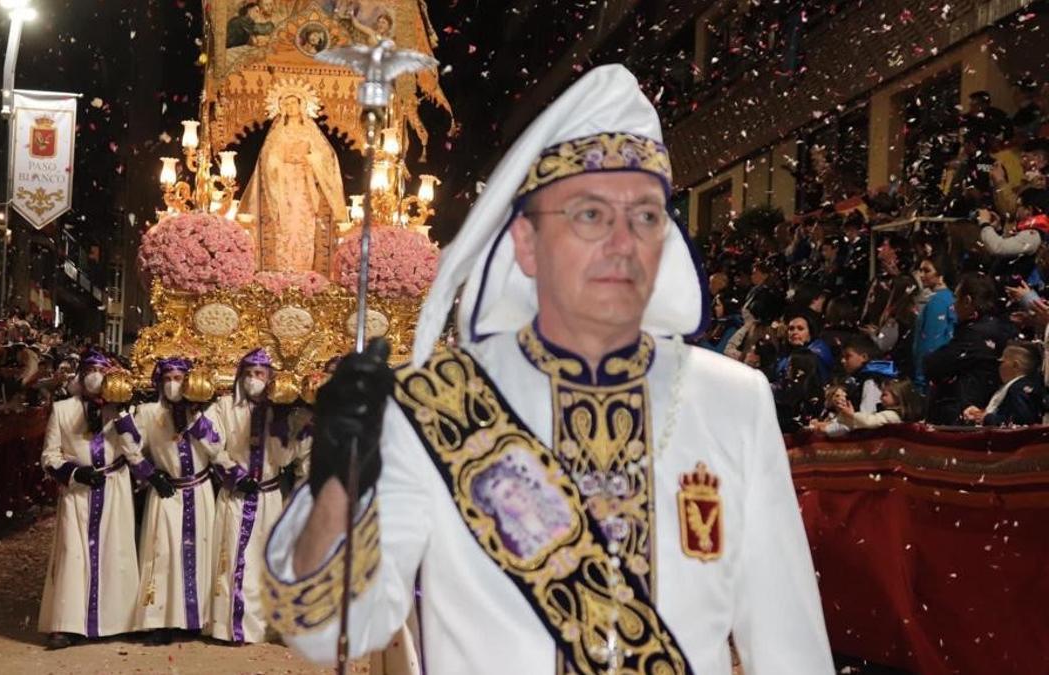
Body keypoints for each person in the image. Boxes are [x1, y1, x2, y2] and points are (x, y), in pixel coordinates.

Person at [262, 65, 832, 673]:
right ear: (527, 244)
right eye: (589, 215)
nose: (622, 241)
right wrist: (338, 488)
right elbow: (330, 633)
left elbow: (787, 640)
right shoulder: (436, 404)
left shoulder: (733, 400)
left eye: (645, 216)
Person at [37, 351, 140, 649]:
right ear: (81, 374)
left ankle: (118, 619)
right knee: (73, 553)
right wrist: (75, 473)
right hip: (78, 492)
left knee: (115, 549)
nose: (95, 374)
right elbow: (49, 455)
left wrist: (122, 415)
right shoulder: (63, 409)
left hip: (114, 488)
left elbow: (135, 449)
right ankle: (66, 623)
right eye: (90, 369)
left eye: (100, 369)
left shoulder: (121, 410)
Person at [208, 348, 311, 644]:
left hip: (268, 496)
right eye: (249, 374)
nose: (254, 380)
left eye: (260, 374)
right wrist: (233, 474)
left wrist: (281, 424)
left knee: (264, 560)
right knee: (232, 557)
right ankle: (227, 625)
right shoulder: (224, 406)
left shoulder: (281, 412)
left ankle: (263, 624)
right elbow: (210, 442)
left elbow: (284, 458)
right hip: (237, 494)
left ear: (270, 379)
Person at [124, 357, 222, 645]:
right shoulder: (147, 412)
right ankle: (160, 621)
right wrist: (150, 474)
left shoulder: (207, 413)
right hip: (166, 491)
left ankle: (195, 619)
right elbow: (129, 446)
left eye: (179, 378)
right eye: (167, 378)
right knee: (162, 554)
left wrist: (195, 420)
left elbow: (217, 448)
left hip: (199, 490)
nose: (172, 384)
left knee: (199, 552)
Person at [241, 85, 349, 273]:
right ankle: (283, 269)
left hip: (304, 183)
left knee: (304, 224)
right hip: (283, 184)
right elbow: (268, 158)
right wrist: (279, 162)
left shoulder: (310, 132)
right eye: (287, 103)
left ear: (301, 105)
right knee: (285, 225)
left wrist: (310, 159)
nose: (290, 107)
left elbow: (325, 157)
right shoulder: (279, 133)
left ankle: (303, 268)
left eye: (294, 103)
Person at [924, 273, 1016, 425]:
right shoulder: (1000, 328)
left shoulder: (975, 334)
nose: (953, 305)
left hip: (966, 414)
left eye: (956, 298)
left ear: (967, 301)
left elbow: (934, 365)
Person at [962, 342, 1044, 427]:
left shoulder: (1018, 390)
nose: (999, 367)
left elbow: (1020, 423)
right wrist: (981, 414)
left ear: (1015, 365)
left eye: (1002, 362)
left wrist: (986, 418)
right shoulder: (1026, 386)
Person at [912, 253, 955, 390]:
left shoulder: (937, 302)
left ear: (940, 274)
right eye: (920, 270)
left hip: (930, 377)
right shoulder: (950, 298)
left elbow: (930, 341)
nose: (922, 275)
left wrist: (921, 377)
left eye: (927, 270)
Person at [831, 378, 922, 430]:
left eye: (884, 395)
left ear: (897, 396)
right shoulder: (886, 413)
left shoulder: (892, 415)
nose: (880, 398)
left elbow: (870, 422)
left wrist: (852, 415)